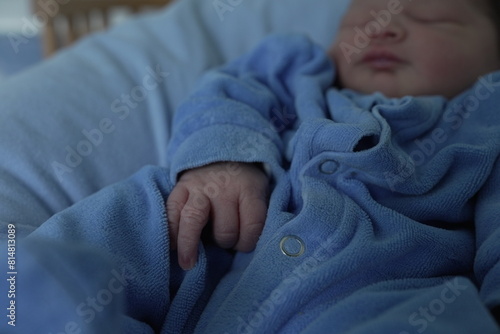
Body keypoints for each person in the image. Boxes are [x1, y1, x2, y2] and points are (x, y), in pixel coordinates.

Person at [166, 0, 500, 270]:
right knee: (147, 207)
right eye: (359, 22)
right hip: (228, 258)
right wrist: (228, 158)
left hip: (384, 300)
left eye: (431, 18)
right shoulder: (301, 75)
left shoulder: (485, 124)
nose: (381, 27)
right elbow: (231, 91)